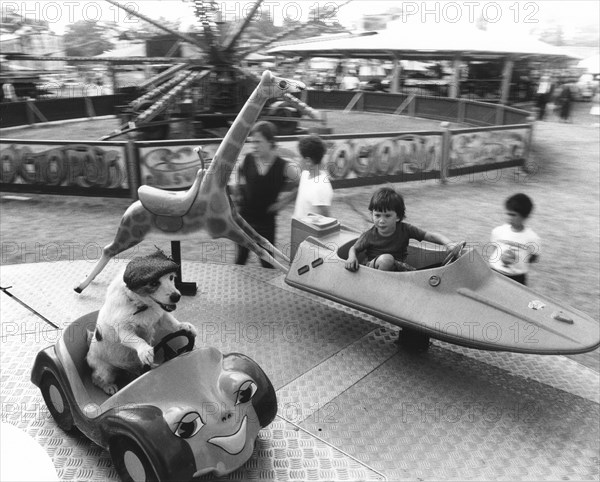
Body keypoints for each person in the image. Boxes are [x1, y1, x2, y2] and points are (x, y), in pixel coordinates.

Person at [344, 187, 462, 272]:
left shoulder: (405, 229)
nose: (381, 220)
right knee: (386, 259)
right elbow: (354, 248)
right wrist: (351, 257)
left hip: (398, 269)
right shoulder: (369, 235)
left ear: (398, 217)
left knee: (421, 272)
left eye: (387, 216)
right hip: (374, 270)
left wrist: (449, 244)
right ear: (372, 215)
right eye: (377, 215)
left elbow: (430, 235)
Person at [232, 121, 296, 268]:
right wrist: (237, 190)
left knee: (267, 263)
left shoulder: (283, 166)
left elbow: (301, 183)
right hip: (244, 220)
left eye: (258, 142)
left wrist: (282, 203)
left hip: (266, 222)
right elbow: (238, 173)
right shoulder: (248, 158)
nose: (254, 145)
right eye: (252, 142)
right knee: (240, 260)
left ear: (271, 141)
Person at [488, 193, 541, 285]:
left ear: (525, 216)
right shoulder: (498, 231)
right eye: (508, 214)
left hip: (517, 278)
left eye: (513, 215)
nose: (509, 218)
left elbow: (534, 257)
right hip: (495, 273)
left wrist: (518, 261)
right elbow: (495, 248)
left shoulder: (532, 238)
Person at [292, 134, 333, 219]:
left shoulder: (321, 188)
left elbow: (326, 220)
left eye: (299, 157)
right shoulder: (305, 175)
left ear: (308, 161)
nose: (297, 160)